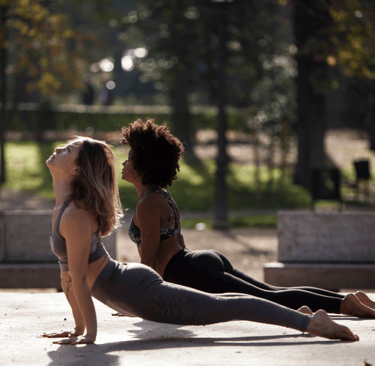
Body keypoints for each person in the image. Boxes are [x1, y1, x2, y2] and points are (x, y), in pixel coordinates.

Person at [43, 136, 358, 345]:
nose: (59, 149)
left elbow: (83, 278)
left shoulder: (82, 215)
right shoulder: (68, 210)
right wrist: (79, 329)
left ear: (78, 169)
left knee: (225, 308)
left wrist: (89, 334)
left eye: (68, 149)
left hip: (150, 283)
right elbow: (69, 276)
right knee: (243, 300)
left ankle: (313, 323)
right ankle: (303, 315)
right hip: (156, 277)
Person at [120, 118, 375, 319]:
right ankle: (347, 300)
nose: (124, 162)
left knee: (269, 299)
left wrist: (137, 303)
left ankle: (344, 304)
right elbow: (175, 243)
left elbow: (148, 263)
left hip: (189, 271)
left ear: (143, 165)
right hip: (196, 263)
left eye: (130, 158)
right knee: (271, 293)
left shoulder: (148, 204)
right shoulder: (160, 196)